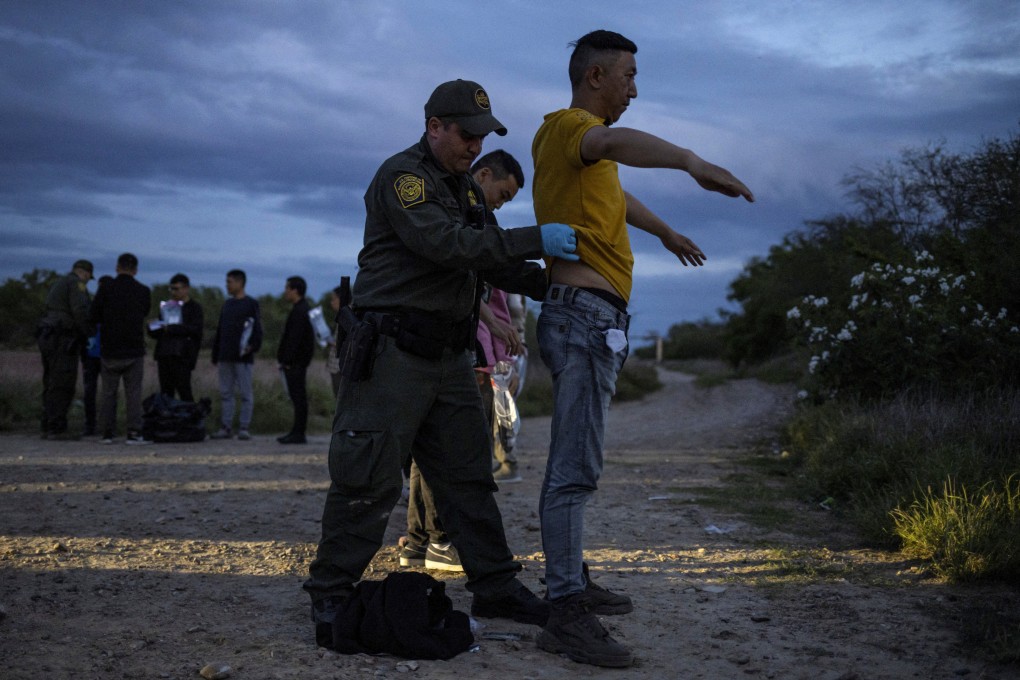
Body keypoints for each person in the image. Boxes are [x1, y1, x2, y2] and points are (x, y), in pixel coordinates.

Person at [303, 79, 579, 649]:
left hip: (451, 357)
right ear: (434, 127)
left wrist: (558, 281)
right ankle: (332, 590)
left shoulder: (467, 191)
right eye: (467, 134)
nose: (475, 146)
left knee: (467, 477)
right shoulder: (403, 179)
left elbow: (490, 258)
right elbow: (447, 245)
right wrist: (536, 238)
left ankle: (496, 585)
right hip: (394, 355)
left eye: (483, 136)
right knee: (368, 475)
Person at [531, 30, 755, 667]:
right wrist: (690, 159)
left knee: (580, 465)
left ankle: (572, 581)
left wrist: (666, 231)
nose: (636, 87)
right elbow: (607, 142)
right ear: (595, 75)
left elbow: (615, 194)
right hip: (581, 317)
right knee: (573, 470)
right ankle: (564, 611)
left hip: (590, 318)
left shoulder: (583, 154)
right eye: (628, 75)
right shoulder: (569, 128)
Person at [399, 149, 527, 574]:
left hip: (452, 347)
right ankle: (440, 540)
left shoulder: (465, 213)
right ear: (484, 174)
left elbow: (473, 286)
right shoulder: (454, 212)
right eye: (502, 194)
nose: (499, 205)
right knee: (456, 453)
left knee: (428, 454)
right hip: (455, 353)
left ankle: (418, 541)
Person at [89, 253, 153, 445]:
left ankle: (107, 433)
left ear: (117, 267)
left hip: (109, 348)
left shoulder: (106, 288)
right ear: (135, 270)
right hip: (133, 349)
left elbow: (94, 315)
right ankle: (134, 432)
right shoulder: (143, 290)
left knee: (108, 392)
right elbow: (145, 312)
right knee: (133, 393)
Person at [37, 259, 93, 439]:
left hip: (48, 335)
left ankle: (47, 423)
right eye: (88, 277)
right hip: (63, 338)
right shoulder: (76, 284)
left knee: (51, 380)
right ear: (84, 273)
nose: (87, 281)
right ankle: (57, 427)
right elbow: (80, 310)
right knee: (63, 382)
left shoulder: (59, 283)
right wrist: (88, 333)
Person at [210, 269, 262, 440]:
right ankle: (226, 427)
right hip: (226, 355)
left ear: (240, 283)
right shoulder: (227, 304)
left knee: (245, 393)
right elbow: (220, 330)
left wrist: (252, 347)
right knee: (226, 392)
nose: (227, 285)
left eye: (230, 282)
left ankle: (244, 427)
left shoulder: (250, 304)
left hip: (243, 357)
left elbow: (256, 329)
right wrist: (216, 353)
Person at [147, 273, 204, 402]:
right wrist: (152, 327)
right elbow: (159, 331)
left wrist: (172, 328)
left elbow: (195, 330)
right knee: (166, 393)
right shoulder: (167, 307)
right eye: (171, 289)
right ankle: (168, 420)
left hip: (182, 356)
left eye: (177, 289)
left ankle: (190, 420)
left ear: (186, 289)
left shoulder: (194, 308)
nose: (173, 292)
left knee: (184, 391)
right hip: (165, 354)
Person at [277, 276, 315, 444]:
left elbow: (295, 339)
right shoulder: (300, 309)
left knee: (298, 397)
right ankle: (296, 431)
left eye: (287, 288)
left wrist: (288, 360)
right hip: (297, 362)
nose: (285, 291)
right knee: (297, 397)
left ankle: (298, 432)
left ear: (295, 290)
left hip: (296, 363)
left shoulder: (300, 311)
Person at [81, 274, 113, 436]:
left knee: (92, 390)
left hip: (96, 353)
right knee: (106, 391)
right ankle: (103, 425)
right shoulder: (110, 308)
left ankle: (93, 425)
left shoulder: (94, 306)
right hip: (100, 353)